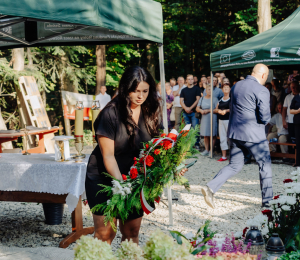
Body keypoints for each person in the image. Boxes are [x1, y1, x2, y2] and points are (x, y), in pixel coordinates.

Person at [85, 66, 187, 245]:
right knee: (105, 235)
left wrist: (174, 166)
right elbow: (108, 156)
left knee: (131, 233)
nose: (140, 96)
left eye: (145, 91)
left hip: (136, 178)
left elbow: (160, 147)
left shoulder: (151, 111)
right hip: (104, 176)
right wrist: (122, 186)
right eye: (135, 91)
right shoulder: (110, 114)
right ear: (125, 89)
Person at [201, 64, 273, 209]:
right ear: (264, 75)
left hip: (235, 133)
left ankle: (211, 187)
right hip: (254, 136)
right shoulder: (262, 90)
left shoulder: (236, 86)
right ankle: (268, 203)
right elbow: (265, 117)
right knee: (265, 165)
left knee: (234, 165)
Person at [196, 84, 218, 156]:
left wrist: (208, 110)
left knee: (212, 135)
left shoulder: (215, 99)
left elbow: (216, 110)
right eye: (208, 89)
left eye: (211, 90)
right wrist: (201, 111)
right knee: (205, 135)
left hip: (212, 117)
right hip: (204, 118)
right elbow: (197, 108)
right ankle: (206, 149)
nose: (210, 91)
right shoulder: (202, 98)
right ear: (206, 90)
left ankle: (211, 150)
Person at [214, 84, 231, 161]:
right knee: (222, 138)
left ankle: (232, 155)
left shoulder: (231, 99)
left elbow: (233, 109)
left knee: (230, 138)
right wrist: (219, 111)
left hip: (229, 121)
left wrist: (226, 110)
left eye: (227, 87)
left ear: (230, 89)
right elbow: (215, 109)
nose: (226, 89)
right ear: (222, 90)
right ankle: (224, 156)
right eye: (225, 87)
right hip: (221, 120)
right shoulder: (220, 99)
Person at [290, 87, 300, 167]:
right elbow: (290, 110)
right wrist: (298, 111)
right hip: (297, 123)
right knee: (298, 142)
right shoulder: (296, 97)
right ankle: (298, 162)